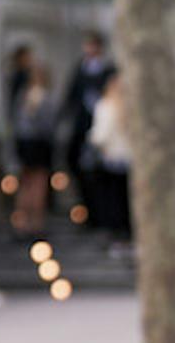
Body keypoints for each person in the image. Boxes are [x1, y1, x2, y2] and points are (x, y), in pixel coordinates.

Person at [61, 30, 115, 223]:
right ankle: (88, 211)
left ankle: (104, 214)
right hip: (82, 127)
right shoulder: (80, 70)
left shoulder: (109, 70)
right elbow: (70, 96)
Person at [13, 65, 59, 236]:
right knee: (38, 183)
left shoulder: (24, 96)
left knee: (26, 184)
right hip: (38, 143)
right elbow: (48, 125)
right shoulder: (46, 98)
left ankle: (23, 223)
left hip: (26, 143)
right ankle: (35, 223)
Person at [88, 72, 131, 247]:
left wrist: (93, 140)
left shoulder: (105, 106)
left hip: (110, 157)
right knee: (123, 196)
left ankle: (113, 228)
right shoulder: (130, 107)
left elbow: (100, 135)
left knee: (111, 196)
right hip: (127, 158)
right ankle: (124, 228)